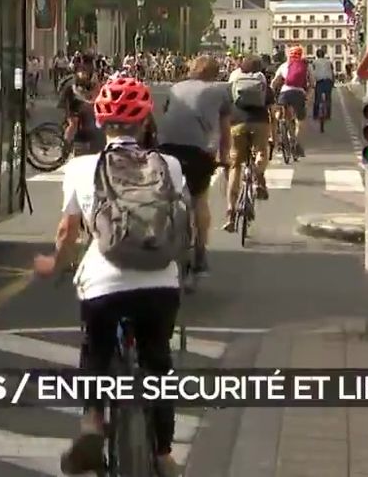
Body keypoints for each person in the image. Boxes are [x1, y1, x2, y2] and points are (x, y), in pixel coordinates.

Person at [32, 75, 184, 477]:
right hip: (160, 283)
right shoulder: (169, 166)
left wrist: (55, 264)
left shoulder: (83, 167)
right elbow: (183, 227)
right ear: (146, 120)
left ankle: (92, 423)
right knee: (159, 364)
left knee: (95, 351)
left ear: (100, 122)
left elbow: (67, 233)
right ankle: (165, 454)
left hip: (104, 284)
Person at [155, 56, 233, 275]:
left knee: (165, 194)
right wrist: (225, 156)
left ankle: (159, 237)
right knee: (200, 200)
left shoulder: (175, 88)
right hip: (198, 151)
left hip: (166, 147)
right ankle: (200, 253)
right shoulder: (220, 92)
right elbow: (225, 130)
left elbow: (167, 115)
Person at [226, 55, 272, 225]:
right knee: (261, 152)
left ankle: (230, 211)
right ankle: (258, 176)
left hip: (237, 123)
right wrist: (273, 135)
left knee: (235, 166)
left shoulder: (234, 78)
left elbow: (227, 104)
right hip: (260, 122)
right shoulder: (263, 80)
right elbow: (271, 107)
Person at [270, 46, 311, 157]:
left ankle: (281, 126)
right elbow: (312, 82)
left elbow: (275, 82)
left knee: (279, 113)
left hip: (285, 93)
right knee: (300, 121)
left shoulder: (284, 65)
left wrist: (271, 92)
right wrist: (308, 95)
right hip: (299, 94)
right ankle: (295, 141)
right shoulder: (306, 66)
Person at [59, 64, 105, 156]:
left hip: (78, 101)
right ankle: (65, 147)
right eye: (82, 72)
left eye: (86, 73)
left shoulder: (89, 80)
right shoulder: (73, 82)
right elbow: (78, 94)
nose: (85, 74)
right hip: (69, 100)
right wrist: (90, 102)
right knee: (73, 124)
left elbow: (94, 92)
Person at [310, 48, 336, 120]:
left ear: (317, 55)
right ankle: (328, 115)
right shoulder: (329, 62)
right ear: (324, 55)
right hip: (328, 81)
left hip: (319, 82)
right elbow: (332, 72)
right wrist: (333, 82)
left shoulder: (314, 62)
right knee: (328, 99)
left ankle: (315, 115)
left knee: (317, 99)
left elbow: (312, 73)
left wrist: (312, 84)